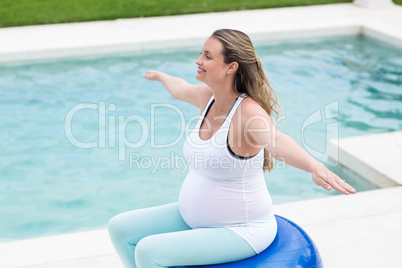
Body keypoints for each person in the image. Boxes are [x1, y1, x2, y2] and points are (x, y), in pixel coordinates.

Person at [108, 29, 356, 268]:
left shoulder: (248, 113)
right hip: (196, 219)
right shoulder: (209, 97)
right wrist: (161, 76)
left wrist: (314, 166)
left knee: (149, 250)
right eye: (201, 53)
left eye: (207, 56)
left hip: (242, 230)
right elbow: (179, 89)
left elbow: (276, 140)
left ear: (231, 67)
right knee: (120, 228)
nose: (198, 60)